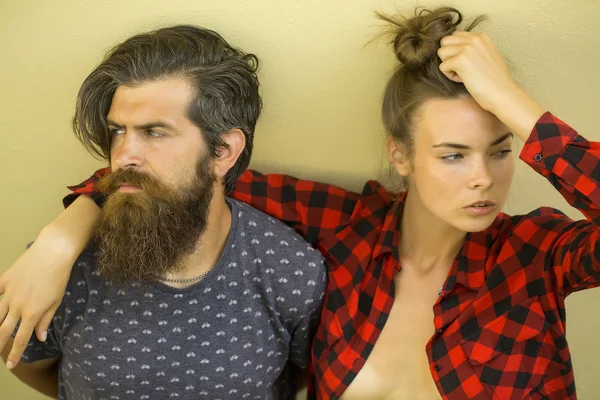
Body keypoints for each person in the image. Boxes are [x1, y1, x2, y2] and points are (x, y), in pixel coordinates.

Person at [1, 6, 597, 399]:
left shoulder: (539, 256)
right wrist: (62, 237)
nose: (484, 180)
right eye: (452, 154)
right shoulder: (343, 230)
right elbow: (174, 178)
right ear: (400, 155)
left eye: (500, 151)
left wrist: (520, 106)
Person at [0, 24, 327, 399]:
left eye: (154, 132)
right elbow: (24, 362)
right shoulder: (61, 271)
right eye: (118, 131)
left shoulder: (290, 270)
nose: (123, 155)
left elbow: (309, 377)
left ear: (223, 151)